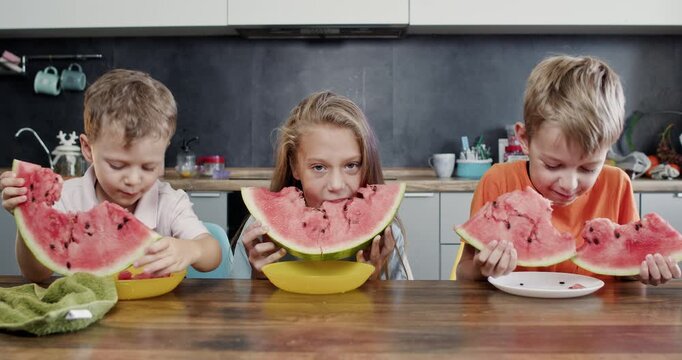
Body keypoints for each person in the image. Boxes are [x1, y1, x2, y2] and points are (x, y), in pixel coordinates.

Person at [454, 55, 681, 285]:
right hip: (515, 317)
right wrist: (481, 269)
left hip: (596, 319)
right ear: (524, 139)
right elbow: (464, 273)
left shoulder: (617, 185)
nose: (569, 184)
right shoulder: (498, 180)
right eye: (553, 165)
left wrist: (640, 272)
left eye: (589, 168)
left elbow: (627, 273)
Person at [0, 69, 222, 282]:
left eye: (148, 167)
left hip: (157, 313)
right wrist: (29, 216)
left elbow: (211, 252)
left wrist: (192, 249)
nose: (133, 179)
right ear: (88, 149)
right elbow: (36, 274)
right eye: (117, 165)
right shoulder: (65, 198)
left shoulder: (169, 202)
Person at [232, 90, 412, 280]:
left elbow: (401, 307)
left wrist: (375, 281)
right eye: (319, 167)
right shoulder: (260, 231)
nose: (336, 185)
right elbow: (236, 305)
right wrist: (258, 279)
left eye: (351, 165)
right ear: (295, 167)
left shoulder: (385, 236)